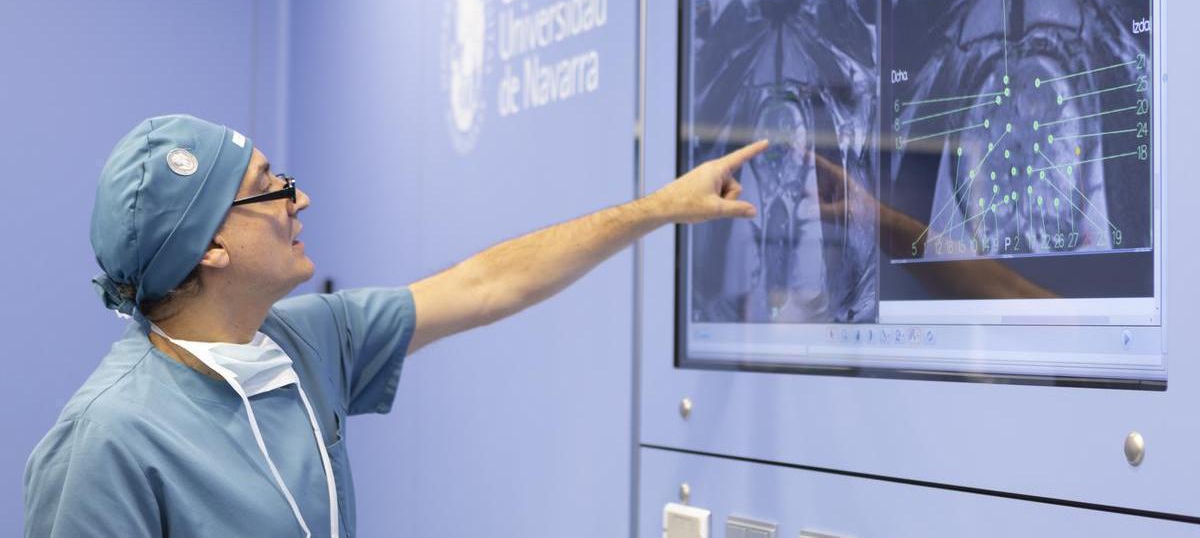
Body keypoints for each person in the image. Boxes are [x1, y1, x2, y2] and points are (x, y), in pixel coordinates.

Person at [23, 114, 767, 537]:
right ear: (209, 246)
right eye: (268, 188)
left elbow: (488, 282)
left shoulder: (311, 341)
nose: (299, 198)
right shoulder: (105, 442)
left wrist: (662, 206)